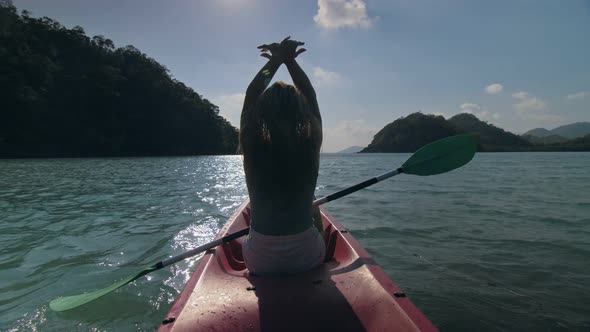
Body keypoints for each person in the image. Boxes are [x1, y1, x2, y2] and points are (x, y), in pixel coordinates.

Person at [240, 37, 325, 276]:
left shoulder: (251, 146)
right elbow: (310, 94)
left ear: (261, 115)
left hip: (259, 260)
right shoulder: (310, 145)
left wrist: (276, 61)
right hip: (308, 255)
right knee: (313, 204)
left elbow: (252, 93)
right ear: (302, 115)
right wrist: (290, 62)